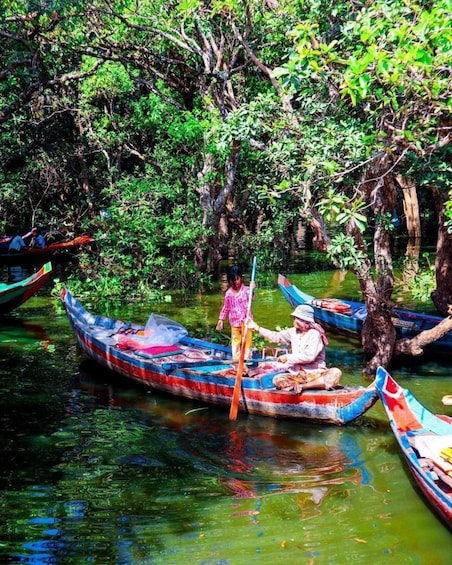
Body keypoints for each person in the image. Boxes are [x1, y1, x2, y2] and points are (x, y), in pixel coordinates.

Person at [246, 304, 341, 391]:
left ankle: (304, 386)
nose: (294, 320)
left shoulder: (314, 334)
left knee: (335, 373)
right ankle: (314, 384)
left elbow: (309, 357)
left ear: (305, 322)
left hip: (315, 373)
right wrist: (256, 327)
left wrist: (287, 357)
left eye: (296, 318)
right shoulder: (293, 332)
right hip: (297, 375)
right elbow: (276, 336)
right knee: (278, 379)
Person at [216, 265, 255, 361]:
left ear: (241, 278)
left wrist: (252, 289)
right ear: (229, 281)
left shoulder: (246, 290)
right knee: (235, 342)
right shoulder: (228, 294)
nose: (235, 282)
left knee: (247, 342)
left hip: (246, 322)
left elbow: (252, 298)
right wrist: (221, 319)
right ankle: (236, 360)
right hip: (234, 323)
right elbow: (226, 307)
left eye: (237, 279)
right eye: (232, 280)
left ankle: (247, 360)